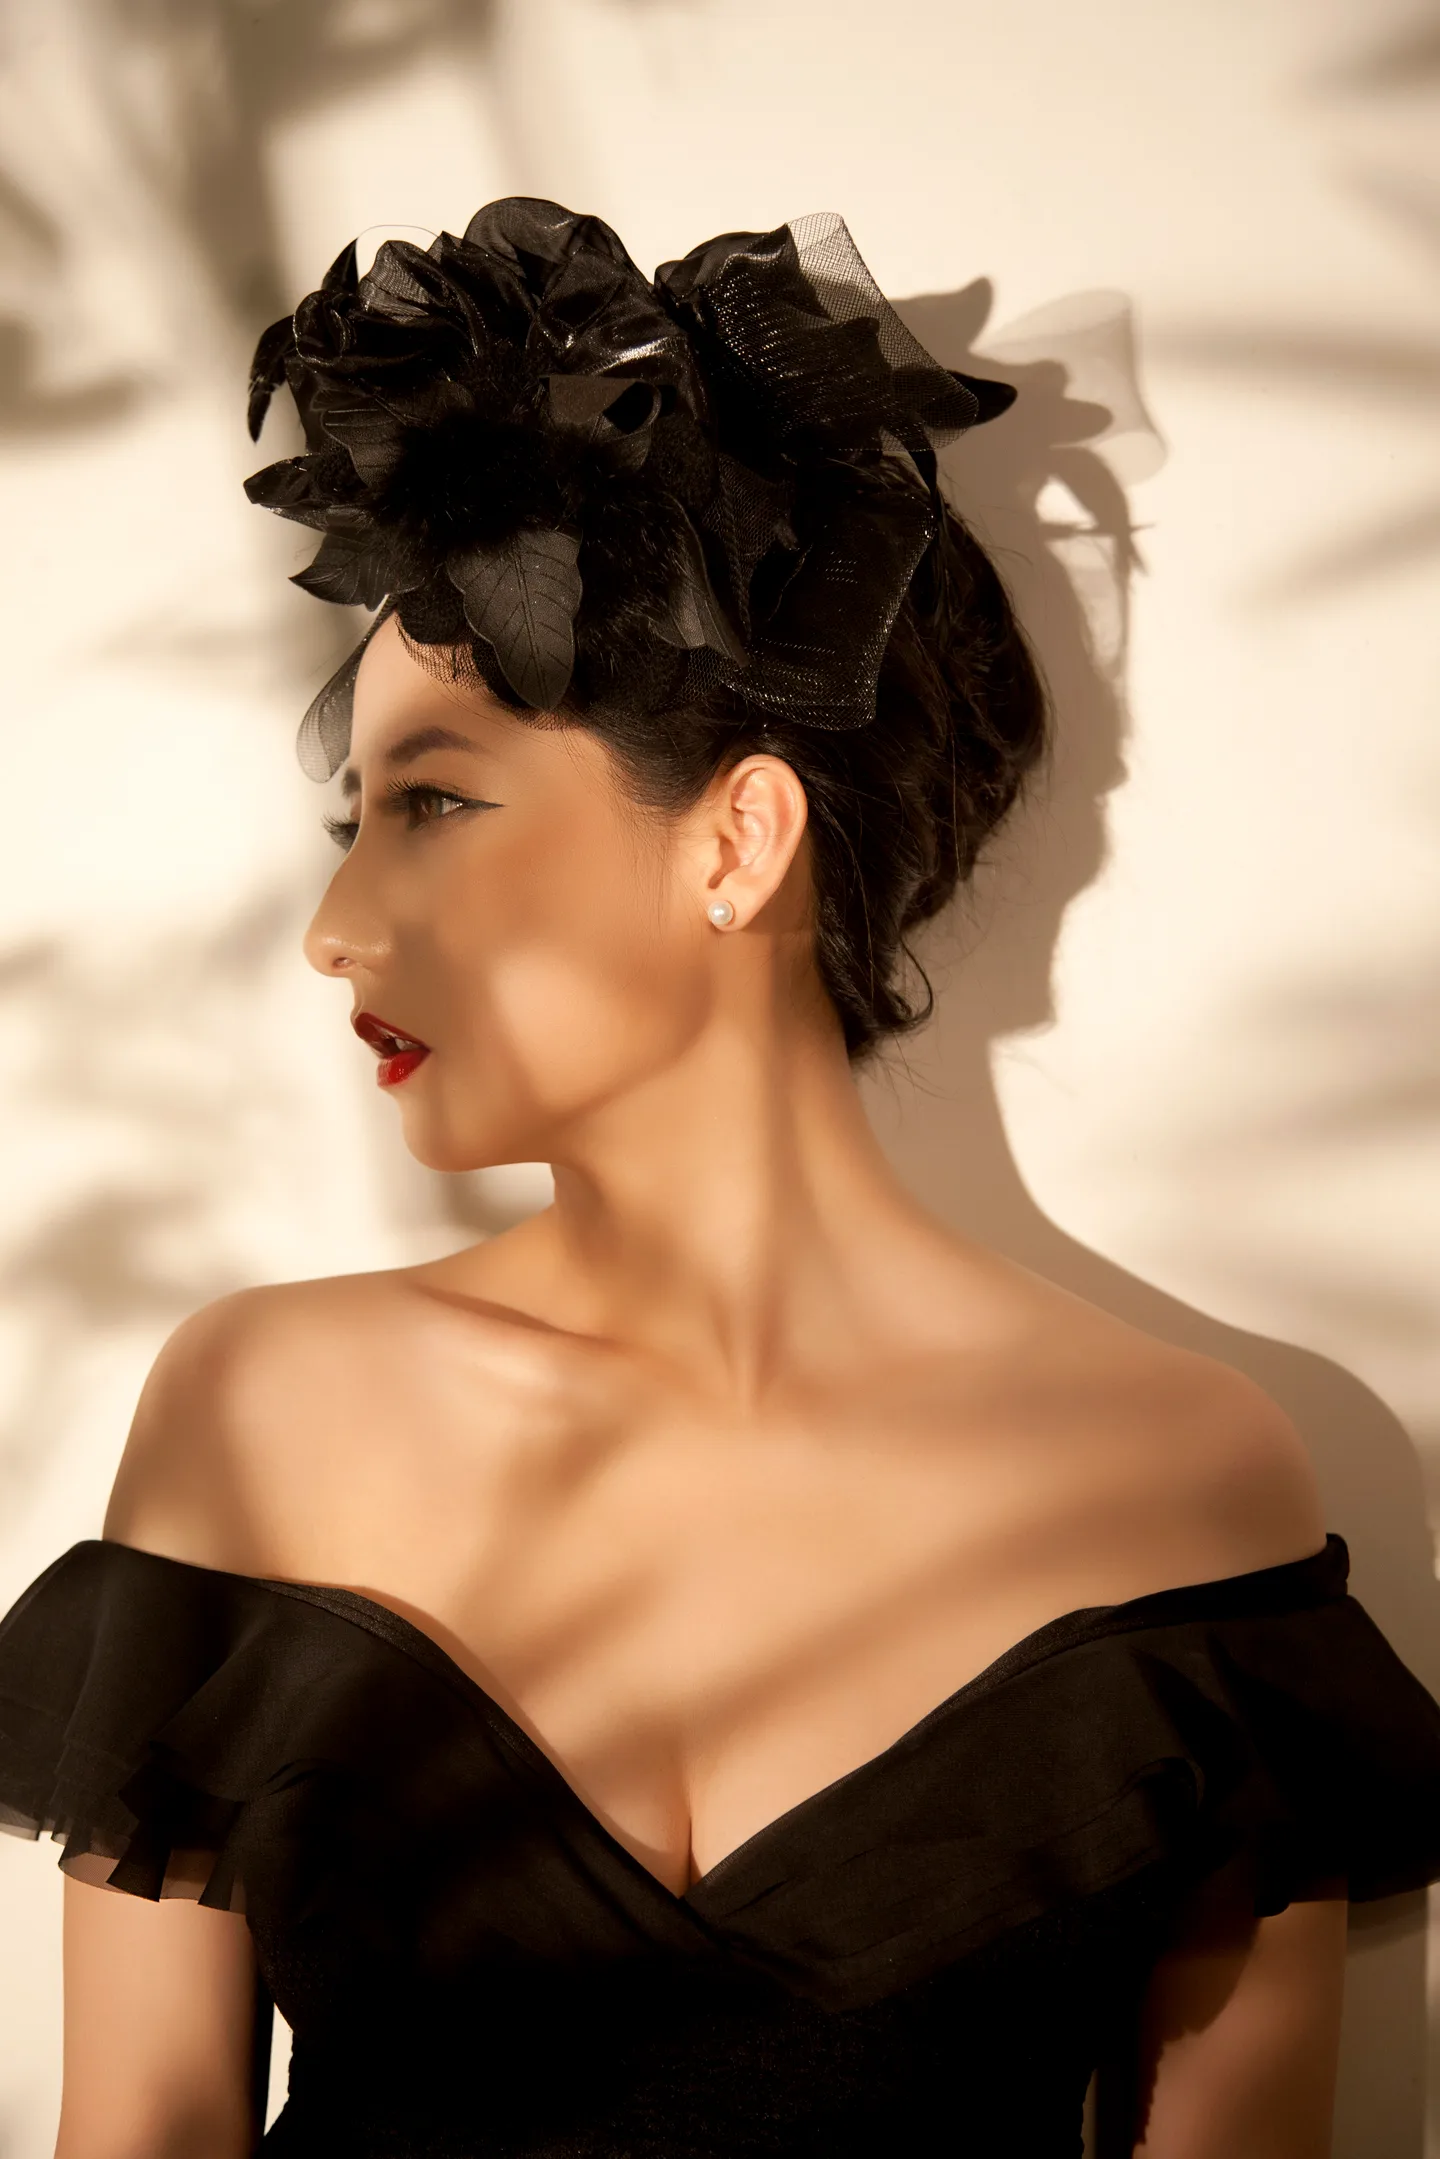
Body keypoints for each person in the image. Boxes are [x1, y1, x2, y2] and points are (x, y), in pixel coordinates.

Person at [1, 197, 1437, 2159]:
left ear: (740, 839)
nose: (337, 928)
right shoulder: (256, 1411)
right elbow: (144, 2129)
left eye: (434, 803)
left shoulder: (1186, 1479)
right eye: (359, 823)